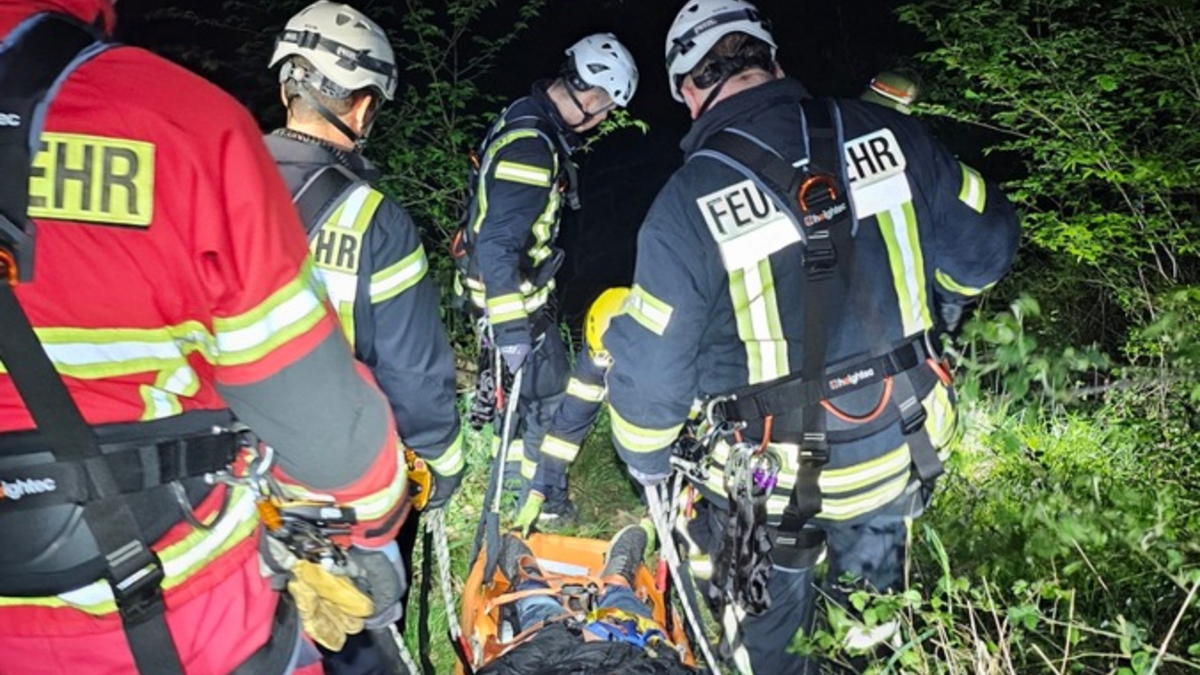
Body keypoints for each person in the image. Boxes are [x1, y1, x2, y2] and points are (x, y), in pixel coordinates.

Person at [604, 1, 1021, 673]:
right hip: (900, 446)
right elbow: (990, 243)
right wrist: (941, 311)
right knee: (871, 632)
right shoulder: (893, 134)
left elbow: (652, 372)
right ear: (774, 59)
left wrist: (645, 455)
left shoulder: (686, 203)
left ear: (687, 90)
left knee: (768, 647)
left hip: (768, 486)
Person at [0, 1, 407, 673]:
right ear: (360, 106)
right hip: (176, 626)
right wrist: (376, 521)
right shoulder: (181, 123)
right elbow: (329, 432)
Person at [265, 4, 465, 670]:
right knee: (363, 642)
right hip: (341, 503)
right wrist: (440, 464)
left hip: (231, 489)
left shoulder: (216, 185)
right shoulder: (374, 219)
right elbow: (414, 372)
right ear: (358, 103)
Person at [456, 33, 638, 518]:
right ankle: (542, 501)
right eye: (604, 110)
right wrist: (512, 329)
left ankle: (511, 491)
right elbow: (497, 243)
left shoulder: (524, 116)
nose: (600, 121)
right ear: (593, 97)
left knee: (517, 410)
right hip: (514, 302)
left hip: (496, 295)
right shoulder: (533, 149)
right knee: (550, 400)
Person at [479, 527, 697, 675]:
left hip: (551, 662)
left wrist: (550, 639)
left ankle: (530, 582)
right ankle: (616, 582)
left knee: (541, 615)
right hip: (630, 655)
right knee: (625, 613)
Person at [514, 287, 629, 532]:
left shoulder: (664, 372)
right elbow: (566, 428)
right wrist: (538, 491)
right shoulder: (595, 360)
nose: (603, 368)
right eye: (599, 358)